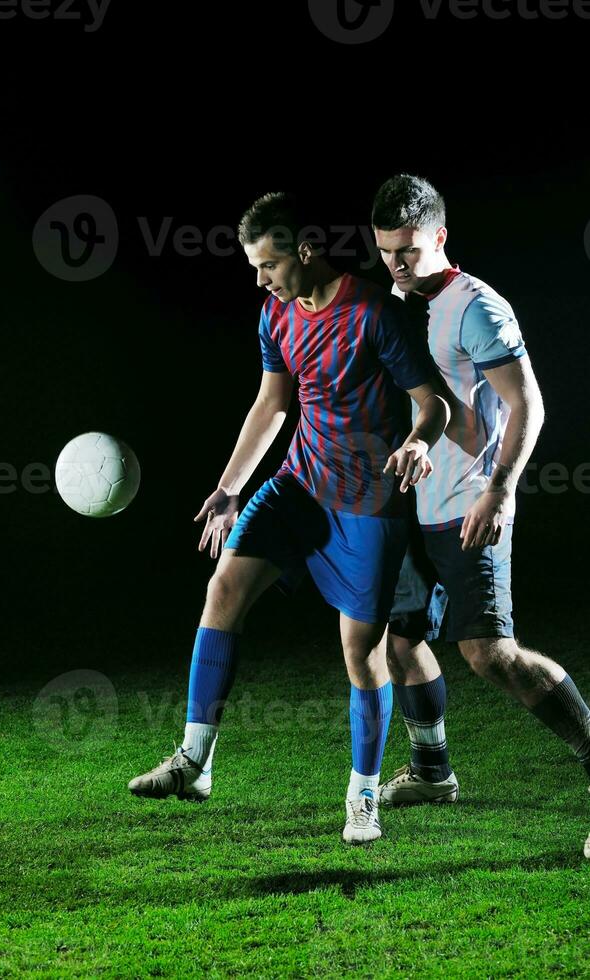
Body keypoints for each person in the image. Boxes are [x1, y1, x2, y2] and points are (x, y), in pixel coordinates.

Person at [128, 192, 449, 844]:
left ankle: (364, 799)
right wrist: (228, 488)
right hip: (298, 486)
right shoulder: (275, 314)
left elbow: (431, 402)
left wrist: (418, 439)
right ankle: (195, 762)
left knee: (364, 653)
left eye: (267, 264)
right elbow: (271, 403)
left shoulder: (374, 313)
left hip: (367, 504)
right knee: (223, 589)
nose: (260, 279)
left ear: (304, 251)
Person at [372, 174, 590, 858]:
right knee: (397, 639)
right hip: (417, 506)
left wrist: (501, 488)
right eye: (385, 252)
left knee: (487, 653)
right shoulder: (401, 305)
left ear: (439, 238)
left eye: (408, 250)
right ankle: (433, 773)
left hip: (473, 502)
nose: (397, 264)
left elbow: (529, 405)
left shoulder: (477, 308)